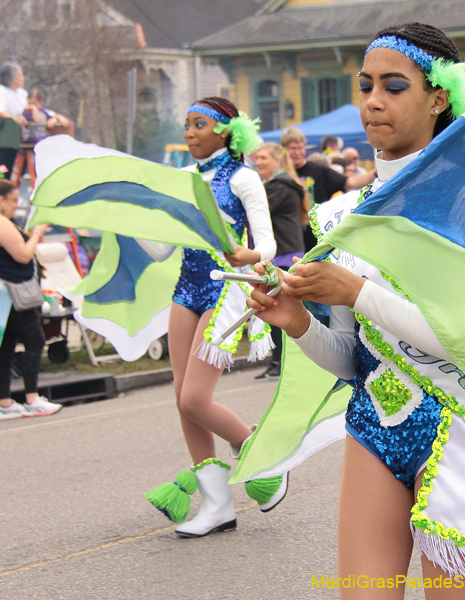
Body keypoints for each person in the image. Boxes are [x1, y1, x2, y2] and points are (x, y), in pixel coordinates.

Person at [246, 22, 465, 597]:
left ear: (439, 97)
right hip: (374, 426)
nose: (373, 102)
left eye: (394, 86)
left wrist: (355, 292)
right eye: (366, 86)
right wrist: (294, 321)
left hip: (459, 430)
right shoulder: (342, 218)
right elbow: (349, 359)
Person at [151, 97, 286, 537]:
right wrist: (137, 219)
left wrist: (249, 255)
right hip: (186, 287)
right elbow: (160, 248)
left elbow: (265, 244)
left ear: (226, 131)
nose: (189, 132)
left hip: (225, 285)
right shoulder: (182, 179)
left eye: (199, 124)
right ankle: (217, 505)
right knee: (181, 398)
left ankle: (260, 454)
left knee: (195, 399)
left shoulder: (244, 177)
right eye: (186, 124)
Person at [0, 177, 62, 420]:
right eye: (13, 201)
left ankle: (5, 402)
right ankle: (32, 398)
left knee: (6, 346)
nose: (16, 206)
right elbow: (23, 255)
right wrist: (37, 233)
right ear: (0, 200)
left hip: (0, 294)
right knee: (34, 341)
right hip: (13, 293)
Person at [252, 142, 305, 380]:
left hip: (284, 255)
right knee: (273, 306)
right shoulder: (273, 186)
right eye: (257, 158)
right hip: (277, 254)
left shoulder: (280, 187)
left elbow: (256, 210)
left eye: (263, 158)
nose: (258, 162)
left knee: (278, 306)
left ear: (277, 161)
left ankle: (282, 362)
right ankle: (279, 360)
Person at [280, 128, 376, 249]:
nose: (297, 153)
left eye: (301, 148)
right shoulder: (280, 175)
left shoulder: (319, 171)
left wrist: (376, 173)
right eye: (293, 149)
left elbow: (351, 183)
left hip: (316, 240)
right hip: (287, 242)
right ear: (283, 149)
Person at [0, 63, 28, 180]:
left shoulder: (22, 93)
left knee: (17, 176)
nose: (23, 78)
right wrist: (15, 119)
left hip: (20, 141)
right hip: (4, 142)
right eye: (21, 75)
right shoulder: (0, 91)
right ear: (13, 77)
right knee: (3, 175)